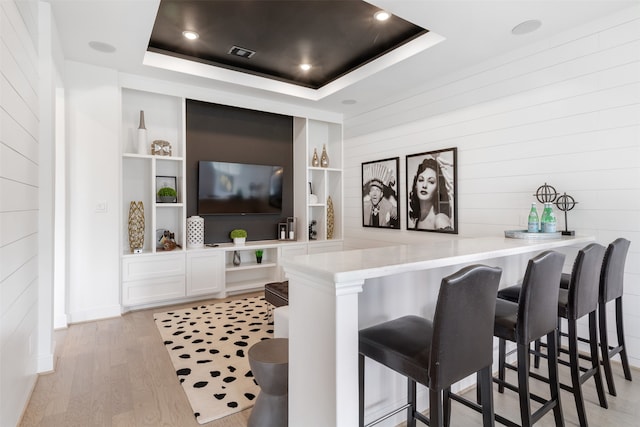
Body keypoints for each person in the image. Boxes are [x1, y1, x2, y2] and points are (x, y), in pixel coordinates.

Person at [408, 157, 452, 230]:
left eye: (431, 182)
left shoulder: (440, 220)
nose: (424, 185)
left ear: (437, 189)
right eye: (421, 180)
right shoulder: (418, 220)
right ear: (416, 185)